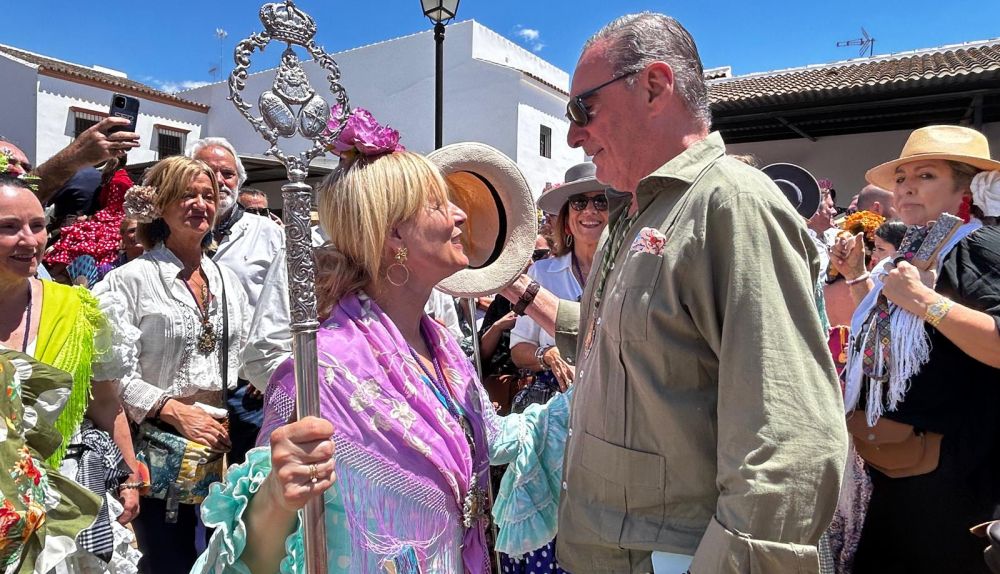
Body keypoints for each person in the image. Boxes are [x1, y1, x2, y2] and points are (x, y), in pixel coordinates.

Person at [501, 12, 848, 573]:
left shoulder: (732, 205)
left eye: (581, 109)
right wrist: (513, 284)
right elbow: (620, 339)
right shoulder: (641, 212)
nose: (572, 134)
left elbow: (788, 441)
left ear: (655, 86)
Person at [191, 121, 570, 574]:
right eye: (438, 204)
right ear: (394, 237)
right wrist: (276, 495)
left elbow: (494, 438)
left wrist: (588, 397)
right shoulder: (319, 371)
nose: (460, 215)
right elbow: (255, 556)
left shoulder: (443, 346)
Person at [831, 125, 1000, 573]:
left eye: (925, 176)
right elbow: (890, 337)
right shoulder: (915, 249)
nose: (905, 187)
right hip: (896, 465)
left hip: (951, 478)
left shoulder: (979, 248)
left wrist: (926, 302)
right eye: (902, 178)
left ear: (966, 187)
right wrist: (855, 277)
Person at [92, 156, 250, 574]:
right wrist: (174, 411)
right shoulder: (130, 280)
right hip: (155, 445)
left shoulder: (225, 280)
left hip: (217, 444)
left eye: (208, 196)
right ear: (160, 206)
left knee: (217, 557)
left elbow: (248, 354)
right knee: (168, 559)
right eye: (187, 195)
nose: (200, 204)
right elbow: (107, 373)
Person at [0, 174, 142, 572]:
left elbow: (106, 403)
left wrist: (129, 479)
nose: (29, 240)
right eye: (8, 227)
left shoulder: (79, 309)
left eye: (37, 225)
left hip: (61, 493)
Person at [188, 138, 282, 465]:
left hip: (249, 389)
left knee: (254, 483)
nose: (218, 181)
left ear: (239, 181)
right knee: (190, 487)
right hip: (191, 387)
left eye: (227, 174)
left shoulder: (268, 234)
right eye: (207, 171)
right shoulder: (173, 234)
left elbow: (292, 303)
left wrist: (272, 367)